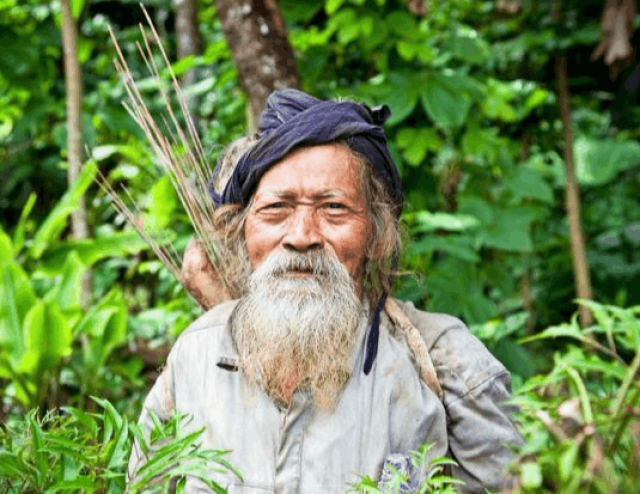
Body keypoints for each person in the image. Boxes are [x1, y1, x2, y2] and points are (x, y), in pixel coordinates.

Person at [128, 88, 522, 494]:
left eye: (333, 208)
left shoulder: (448, 366)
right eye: (276, 209)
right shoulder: (197, 356)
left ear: (378, 234)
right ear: (242, 231)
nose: (301, 236)